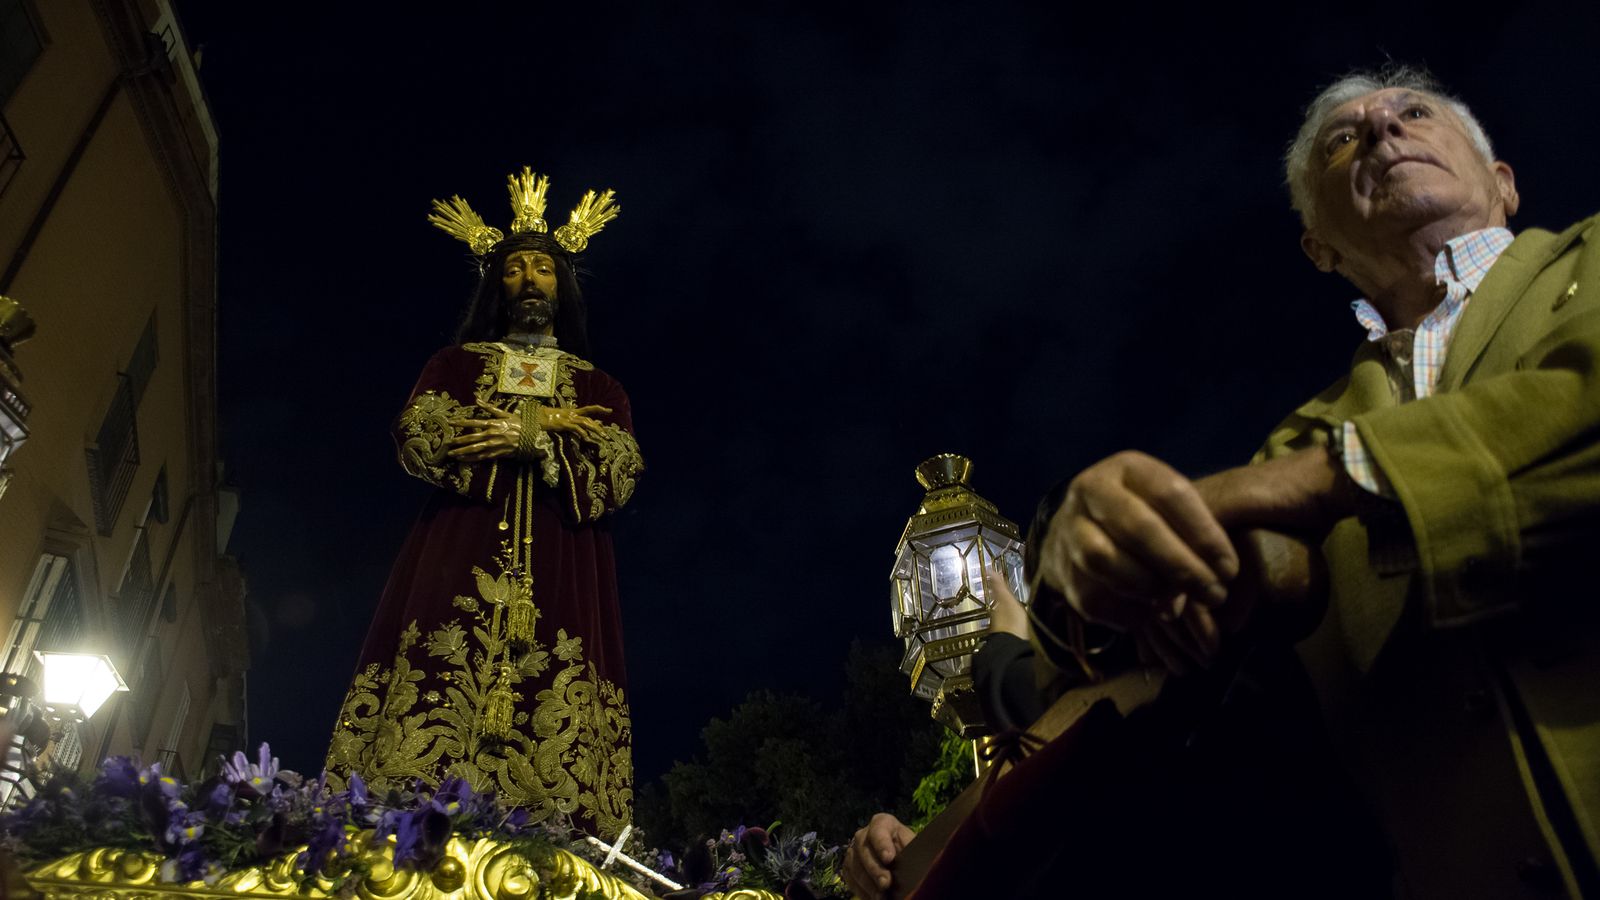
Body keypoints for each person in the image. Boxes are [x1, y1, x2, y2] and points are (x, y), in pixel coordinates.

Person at [1040, 66, 1600, 897]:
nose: (1381, 131)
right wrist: (1094, 560)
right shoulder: (1302, 430)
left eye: (1413, 112)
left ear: (1503, 183)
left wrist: (1307, 483)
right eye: (1345, 138)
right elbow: (1170, 664)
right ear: (1319, 247)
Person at [324, 169, 643, 839]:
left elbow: (619, 468)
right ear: (496, 285)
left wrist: (534, 435)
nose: (531, 280)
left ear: (563, 285)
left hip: (562, 569)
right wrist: (548, 426)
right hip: (458, 555)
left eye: (544, 271)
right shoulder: (455, 364)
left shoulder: (600, 385)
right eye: (517, 270)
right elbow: (422, 433)